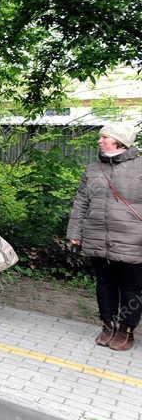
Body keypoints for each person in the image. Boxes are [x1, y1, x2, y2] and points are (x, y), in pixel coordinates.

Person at [66, 122, 142, 352]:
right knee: (104, 285)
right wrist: (74, 234)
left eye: (104, 137)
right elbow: (81, 203)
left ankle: (125, 330)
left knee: (131, 289)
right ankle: (108, 324)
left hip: (133, 240)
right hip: (98, 238)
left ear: (120, 141)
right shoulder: (93, 169)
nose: (99, 141)